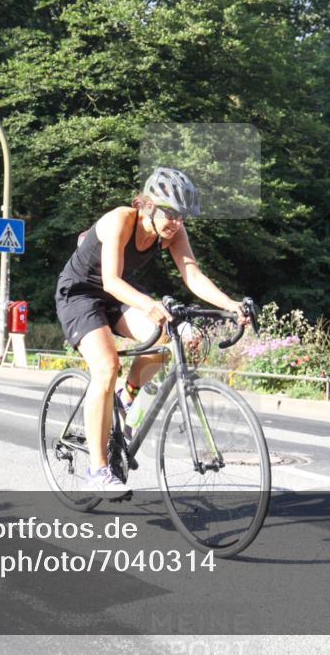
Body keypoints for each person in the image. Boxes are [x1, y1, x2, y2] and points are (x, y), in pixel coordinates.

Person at [55, 167, 248, 494]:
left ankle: (125, 397)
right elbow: (110, 281)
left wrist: (230, 304)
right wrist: (148, 304)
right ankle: (98, 471)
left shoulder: (173, 233)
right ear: (147, 206)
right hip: (81, 294)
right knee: (106, 367)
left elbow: (193, 276)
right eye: (171, 213)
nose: (177, 222)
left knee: (167, 335)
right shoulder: (121, 219)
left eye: (183, 216)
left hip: (118, 292)